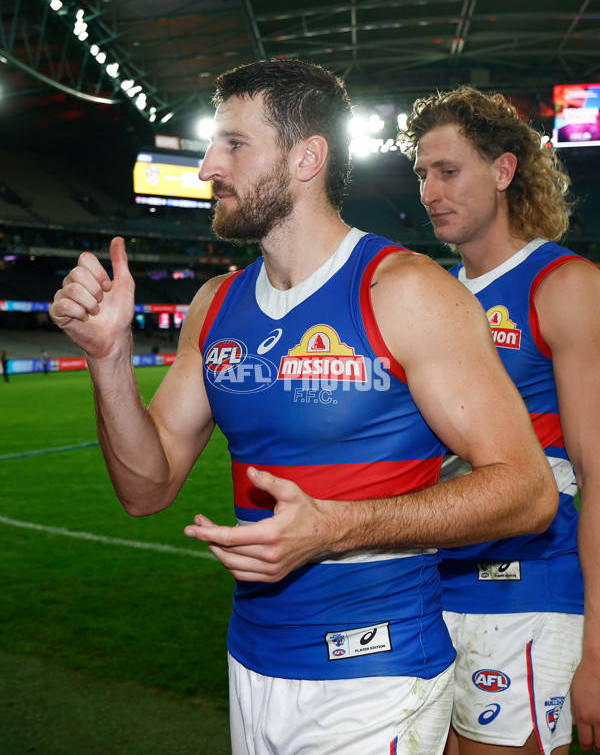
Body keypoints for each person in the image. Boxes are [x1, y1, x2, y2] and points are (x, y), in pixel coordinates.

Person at [49, 60, 557, 755]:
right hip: (252, 665)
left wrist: (333, 528)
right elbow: (146, 486)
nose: (206, 168)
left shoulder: (403, 290)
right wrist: (106, 357)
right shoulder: (216, 306)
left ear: (306, 157)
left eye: (232, 144)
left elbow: (528, 492)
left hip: (375, 668)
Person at [398, 85, 600, 755]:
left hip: (531, 595)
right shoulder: (433, 295)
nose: (429, 190)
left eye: (447, 170)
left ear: (505, 170)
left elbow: (597, 475)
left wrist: (597, 648)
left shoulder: (565, 285)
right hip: (433, 592)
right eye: (422, 172)